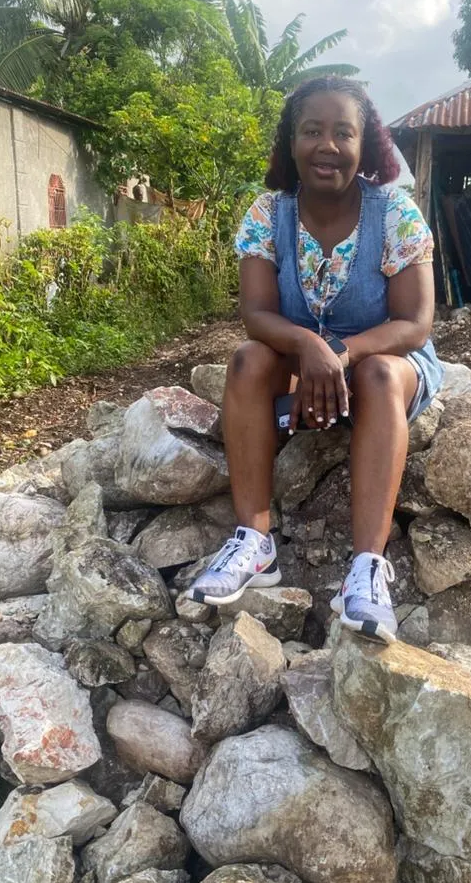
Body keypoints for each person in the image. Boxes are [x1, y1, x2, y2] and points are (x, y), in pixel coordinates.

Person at [183, 76, 443, 643]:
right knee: (248, 360)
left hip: (386, 359)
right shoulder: (267, 214)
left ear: (365, 147)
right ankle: (255, 542)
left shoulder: (395, 214)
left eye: (343, 133)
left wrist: (340, 354)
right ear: (291, 142)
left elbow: (414, 324)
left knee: (377, 374)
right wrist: (308, 348)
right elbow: (256, 314)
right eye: (312, 131)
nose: (328, 145)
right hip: (305, 357)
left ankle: (367, 569)